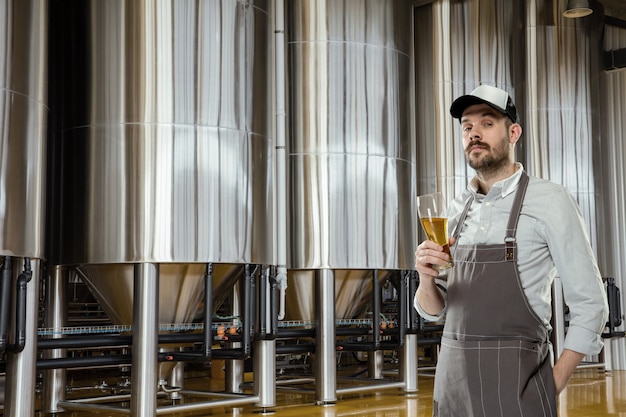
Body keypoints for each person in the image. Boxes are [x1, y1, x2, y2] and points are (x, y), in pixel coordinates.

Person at [413, 84, 609, 417]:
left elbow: (591, 305)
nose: (475, 133)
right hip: (453, 387)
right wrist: (426, 278)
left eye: (487, 123)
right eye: (467, 126)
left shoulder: (551, 201)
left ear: (513, 132)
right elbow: (435, 311)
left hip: (518, 387)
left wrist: (552, 382)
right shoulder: (457, 207)